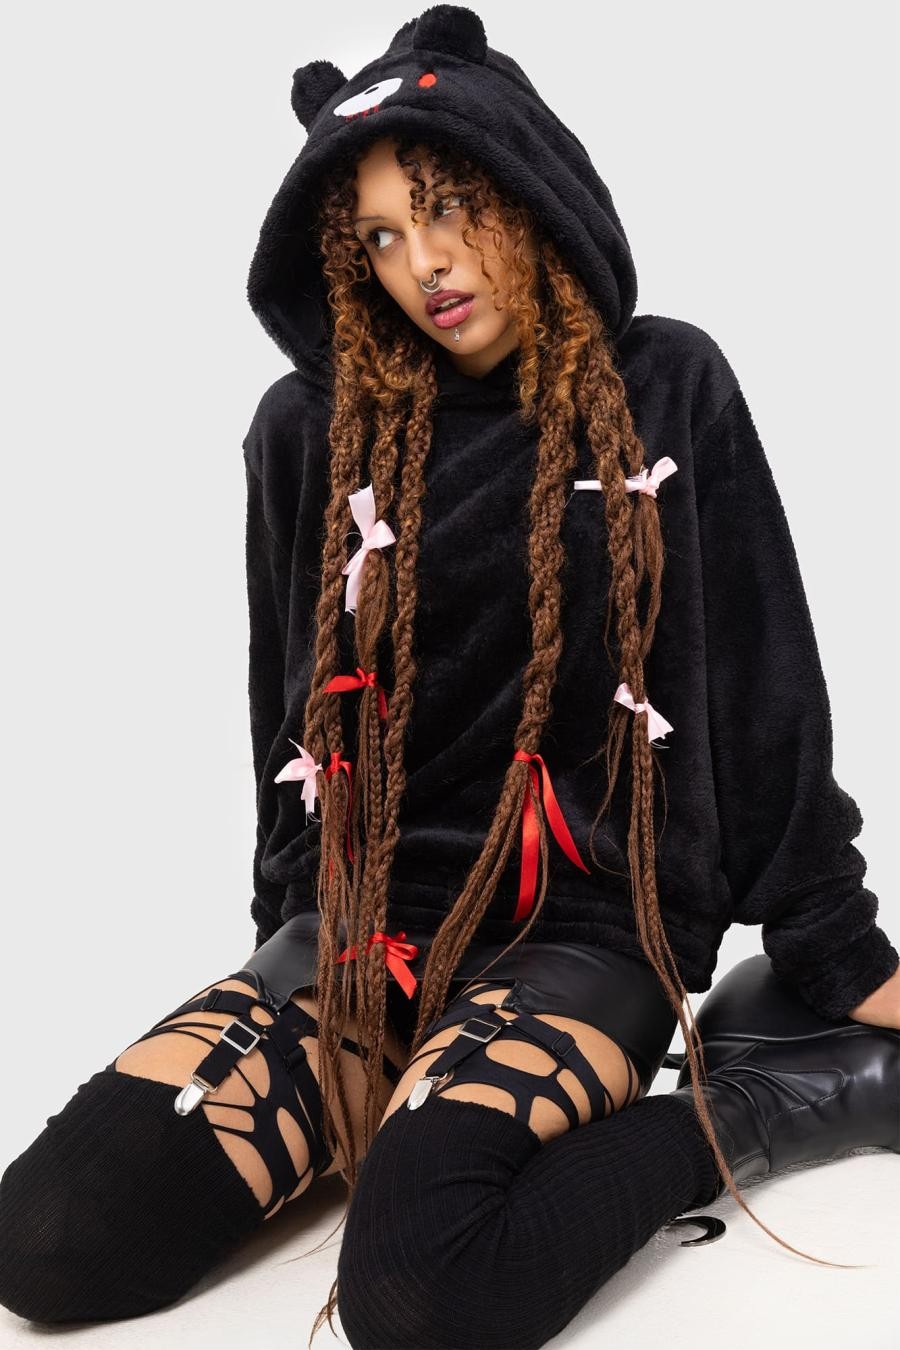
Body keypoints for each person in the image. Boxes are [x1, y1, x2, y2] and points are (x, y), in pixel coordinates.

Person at [1, 5, 898, 1347]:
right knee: (49, 1242)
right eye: (376, 234)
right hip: (365, 928)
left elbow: (764, 687)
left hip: (583, 929)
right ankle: (370, 1087)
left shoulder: (666, 383)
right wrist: (288, 940)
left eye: (446, 207)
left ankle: (758, 1101)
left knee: (423, 1300)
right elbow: (289, 714)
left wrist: (837, 951)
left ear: (526, 188)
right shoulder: (306, 428)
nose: (421, 262)